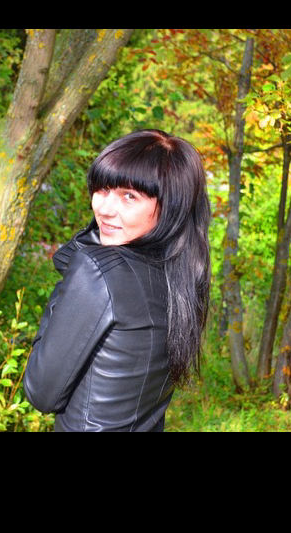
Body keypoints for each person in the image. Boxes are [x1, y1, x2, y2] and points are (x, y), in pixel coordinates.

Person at [23, 129, 211, 432]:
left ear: (170, 205)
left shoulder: (98, 271)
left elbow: (40, 392)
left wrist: (78, 267)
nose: (105, 209)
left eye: (129, 196)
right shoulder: (181, 278)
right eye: (102, 189)